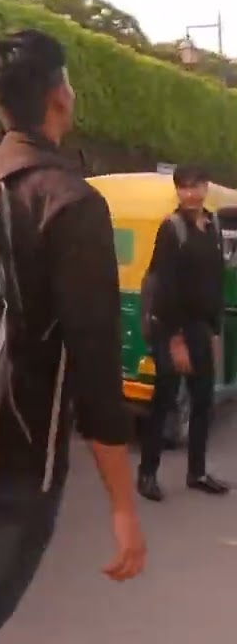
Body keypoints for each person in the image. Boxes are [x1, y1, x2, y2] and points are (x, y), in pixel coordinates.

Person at [0, 30, 145, 644]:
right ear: (61, 95)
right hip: (19, 452)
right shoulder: (70, 203)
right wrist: (122, 506)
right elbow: (95, 366)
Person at [138, 165, 230, 499]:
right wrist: (176, 343)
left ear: (206, 188)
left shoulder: (213, 224)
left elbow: (216, 281)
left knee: (203, 401)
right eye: (184, 187)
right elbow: (165, 289)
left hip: (201, 328)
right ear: (177, 191)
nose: (191, 193)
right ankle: (147, 472)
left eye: (196, 186)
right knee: (163, 401)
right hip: (170, 327)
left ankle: (197, 472)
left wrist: (216, 332)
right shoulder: (171, 229)